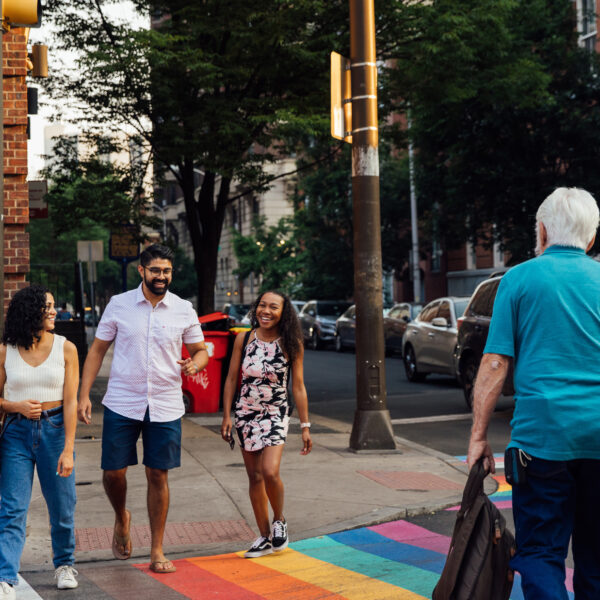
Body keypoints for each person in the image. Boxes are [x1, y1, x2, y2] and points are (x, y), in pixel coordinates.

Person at [467, 187, 600, 600]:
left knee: (540, 552)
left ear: (542, 230)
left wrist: (478, 436)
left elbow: (494, 363)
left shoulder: (519, 279)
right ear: (591, 237)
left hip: (540, 442)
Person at [77, 244, 208, 575]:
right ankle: (122, 516)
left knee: (157, 474)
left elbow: (200, 350)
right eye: (155, 271)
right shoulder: (119, 305)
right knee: (113, 472)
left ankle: (156, 548)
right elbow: (97, 351)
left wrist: (195, 363)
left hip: (165, 403)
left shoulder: (183, 309)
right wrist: (84, 394)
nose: (161, 276)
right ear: (142, 271)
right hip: (123, 400)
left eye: (166, 271)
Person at [0, 285, 79, 600]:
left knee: (62, 504)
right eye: (47, 306)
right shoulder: (5, 351)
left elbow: (71, 402)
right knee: (12, 508)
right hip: (16, 434)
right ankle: (5, 577)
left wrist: (69, 448)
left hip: (56, 429)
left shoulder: (66, 348)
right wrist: (15, 406)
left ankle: (64, 566)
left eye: (53, 305)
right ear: (30, 311)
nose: (53, 311)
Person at [221, 290, 312, 558]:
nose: (266, 311)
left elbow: (298, 386)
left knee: (270, 471)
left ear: (283, 313)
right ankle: (263, 536)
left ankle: (279, 520)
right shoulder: (244, 338)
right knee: (254, 476)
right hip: (246, 412)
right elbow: (230, 380)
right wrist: (227, 415)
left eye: (273, 307)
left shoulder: (291, 342)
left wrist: (305, 426)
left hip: (275, 411)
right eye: (262, 305)